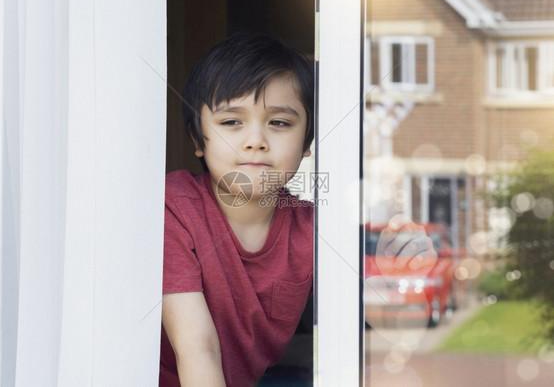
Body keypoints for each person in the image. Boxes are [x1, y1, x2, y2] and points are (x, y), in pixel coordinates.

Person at [159, 32, 436, 387]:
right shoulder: (174, 208)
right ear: (199, 139)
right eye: (231, 122)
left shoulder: (314, 229)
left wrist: (402, 269)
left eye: (279, 123)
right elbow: (199, 348)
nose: (255, 140)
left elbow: (387, 328)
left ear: (307, 144)